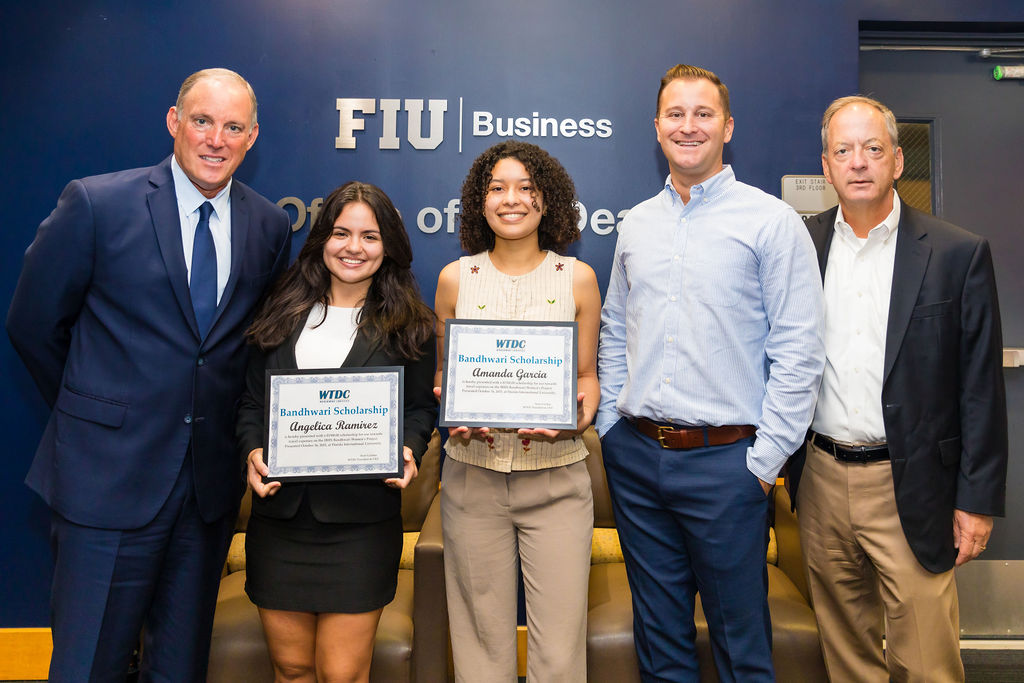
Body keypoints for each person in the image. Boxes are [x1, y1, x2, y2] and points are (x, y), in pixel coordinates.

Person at [6, 68, 291, 681]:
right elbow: (33, 324)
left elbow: (249, 347)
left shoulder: (269, 226)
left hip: (205, 491)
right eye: (203, 120)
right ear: (174, 122)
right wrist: (99, 410)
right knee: (89, 666)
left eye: (233, 127)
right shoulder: (96, 203)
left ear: (252, 138)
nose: (216, 139)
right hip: (104, 480)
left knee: (179, 667)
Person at [596, 64, 825, 682]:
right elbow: (616, 330)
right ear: (657, 126)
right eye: (676, 113)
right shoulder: (638, 223)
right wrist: (611, 427)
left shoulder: (771, 221)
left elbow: (799, 349)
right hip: (638, 459)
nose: (688, 126)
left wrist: (765, 459)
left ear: (728, 127)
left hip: (729, 464)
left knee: (739, 644)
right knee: (660, 640)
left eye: (703, 114)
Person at [787, 95, 1008, 682]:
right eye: (843, 151)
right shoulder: (797, 247)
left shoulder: (957, 253)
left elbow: (981, 387)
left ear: (896, 162)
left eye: (873, 148)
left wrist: (977, 500)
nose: (858, 162)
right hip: (821, 479)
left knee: (926, 659)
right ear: (826, 166)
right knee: (846, 653)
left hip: (914, 483)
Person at [236, 181, 437, 682]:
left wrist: (410, 448)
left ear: (388, 245)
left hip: (360, 524)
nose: (353, 247)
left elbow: (417, 410)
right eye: (341, 233)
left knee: (342, 674)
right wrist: (252, 450)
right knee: (291, 668)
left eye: (369, 236)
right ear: (322, 238)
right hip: (281, 521)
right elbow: (251, 403)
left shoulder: (410, 323)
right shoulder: (278, 311)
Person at [434, 140, 601, 682]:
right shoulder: (455, 278)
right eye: (497, 188)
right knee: (481, 649)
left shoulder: (577, 279)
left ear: (548, 200)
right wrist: (449, 402)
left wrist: (580, 412)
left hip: (557, 484)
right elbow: (444, 373)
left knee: (559, 654)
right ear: (479, 203)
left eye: (527, 188)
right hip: (472, 480)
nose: (512, 199)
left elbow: (586, 379)